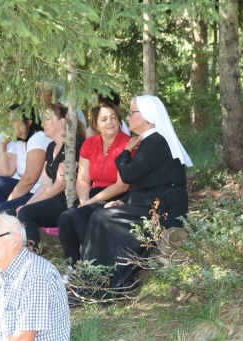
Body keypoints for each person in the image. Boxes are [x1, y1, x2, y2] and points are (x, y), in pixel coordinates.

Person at [80, 95, 192, 295]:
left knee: (101, 217)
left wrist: (125, 152)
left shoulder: (156, 140)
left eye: (132, 113)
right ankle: (93, 281)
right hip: (155, 201)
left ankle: (107, 286)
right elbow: (143, 184)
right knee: (98, 214)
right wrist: (121, 201)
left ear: (147, 116)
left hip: (165, 206)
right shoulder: (151, 140)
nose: (127, 118)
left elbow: (128, 174)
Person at [58, 101, 130, 265]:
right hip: (94, 193)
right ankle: (73, 267)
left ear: (119, 120)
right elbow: (83, 179)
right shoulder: (89, 144)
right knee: (65, 218)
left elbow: (122, 185)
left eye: (113, 118)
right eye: (104, 119)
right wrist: (84, 202)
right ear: (96, 125)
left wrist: (89, 203)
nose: (110, 122)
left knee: (81, 214)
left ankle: (99, 265)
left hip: (118, 194)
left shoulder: (128, 143)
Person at [17, 104, 85, 249]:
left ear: (61, 122)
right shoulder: (51, 147)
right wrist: (27, 204)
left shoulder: (75, 143)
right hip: (54, 196)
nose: (43, 124)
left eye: (47, 119)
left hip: (69, 198)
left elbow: (60, 185)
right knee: (14, 211)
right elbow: (46, 184)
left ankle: (33, 255)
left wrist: (27, 207)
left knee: (25, 213)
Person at [0, 104, 52, 214]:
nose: (10, 124)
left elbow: (30, 180)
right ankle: (7, 214)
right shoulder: (18, 143)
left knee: (4, 208)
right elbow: (4, 172)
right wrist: (3, 145)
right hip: (28, 191)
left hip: (41, 193)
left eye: (15, 120)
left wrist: (10, 199)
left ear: (29, 122)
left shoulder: (38, 138)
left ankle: (7, 215)